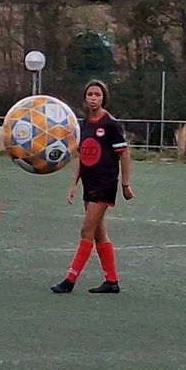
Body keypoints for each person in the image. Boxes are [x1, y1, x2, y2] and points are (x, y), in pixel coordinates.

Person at [51, 80, 134, 294]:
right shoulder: (83, 125)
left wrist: (125, 184)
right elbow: (81, 157)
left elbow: (124, 155)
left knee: (86, 231)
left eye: (97, 94)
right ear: (85, 98)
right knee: (99, 234)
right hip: (89, 185)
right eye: (90, 94)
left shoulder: (111, 124)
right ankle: (112, 281)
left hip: (105, 185)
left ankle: (69, 280)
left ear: (103, 97)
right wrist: (73, 185)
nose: (93, 98)